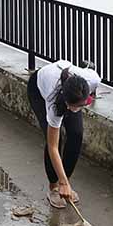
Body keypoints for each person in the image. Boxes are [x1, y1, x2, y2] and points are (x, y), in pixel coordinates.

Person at [26, 60, 100, 209]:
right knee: (55, 141)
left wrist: (65, 182)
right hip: (38, 90)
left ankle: (65, 183)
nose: (77, 109)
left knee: (76, 134)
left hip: (72, 92)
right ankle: (54, 186)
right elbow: (53, 147)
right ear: (66, 102)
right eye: (73, 106)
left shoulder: (92, 80)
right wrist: (62, 182)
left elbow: (90, 75)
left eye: (82, 105)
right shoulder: (54, 102)